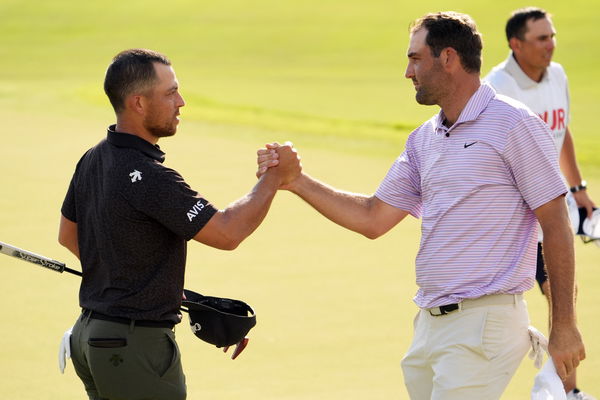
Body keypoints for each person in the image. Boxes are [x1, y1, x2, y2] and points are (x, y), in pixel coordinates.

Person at [257, 12, 585, 400]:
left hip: (485, 324)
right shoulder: (424, 139)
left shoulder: (513, 124)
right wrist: (296, 182)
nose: (407, 73)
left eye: (415, 59)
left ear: (448, 58)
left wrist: (563, 324)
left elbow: (556, 221)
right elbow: (372, 217)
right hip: (431, 325)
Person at [57, 48, 300, 400]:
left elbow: (68, 235)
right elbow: (227, 232)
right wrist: (275, 178)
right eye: (170, 93)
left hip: (91, 337)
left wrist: (138, 284)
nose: (181, 102)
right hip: (133, 347)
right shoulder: (153, 178)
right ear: (138, 103)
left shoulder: (93, 158)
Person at [485, 8, 596, 399]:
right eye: (541, 39)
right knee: (542, 296)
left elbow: (561, 132)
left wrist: (578, 187)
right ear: (516, 44)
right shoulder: (496, 87)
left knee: (563, 294)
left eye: (552, 36)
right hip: (516, 216)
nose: (550, 45)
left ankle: (565, 389)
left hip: (554, 207)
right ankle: (560, 388)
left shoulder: (559, 74)